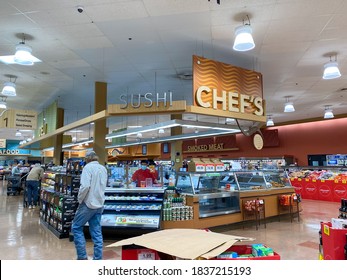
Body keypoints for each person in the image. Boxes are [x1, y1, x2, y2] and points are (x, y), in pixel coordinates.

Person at [72, 150, 108, 260]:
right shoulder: (103, 168)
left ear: (87, 158)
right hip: (99, 204)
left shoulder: (87, 168)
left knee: (76, 227)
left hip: (88, 204)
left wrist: (80, 199)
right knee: (96, 231)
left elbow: (85, 186)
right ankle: (98, 258)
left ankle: (82, 257)